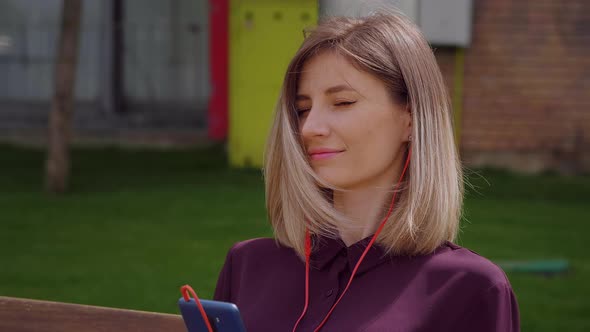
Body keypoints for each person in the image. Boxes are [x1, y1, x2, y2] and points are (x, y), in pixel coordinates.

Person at [214, 11, 520, 332]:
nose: (309, 128)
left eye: (343, 102)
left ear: (411, 119)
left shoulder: (470, 288)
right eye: (303, 109)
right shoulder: (247, 266)